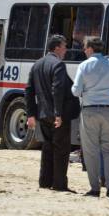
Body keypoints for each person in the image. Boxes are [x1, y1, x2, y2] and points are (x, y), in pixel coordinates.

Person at [72, 38, 109, 200]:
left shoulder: (84, 66)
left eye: (85, 47)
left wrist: (83, 90)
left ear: (90, 48)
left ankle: (95, 189)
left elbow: (76, 91)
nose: (84, 50)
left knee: (91, 151)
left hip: (90, 111)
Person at [25, 35, 80, 192]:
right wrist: (58, 114)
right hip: (58, 115)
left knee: (47, 148)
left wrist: (31, 114)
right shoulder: (58, 65)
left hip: (43, 114)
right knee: (61, 150)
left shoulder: (37, 64)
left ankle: (44, 181)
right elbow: (58, 90)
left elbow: (29, 90)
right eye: (64, 46)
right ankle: (59, 184)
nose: (66, 49)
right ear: (56, 48)